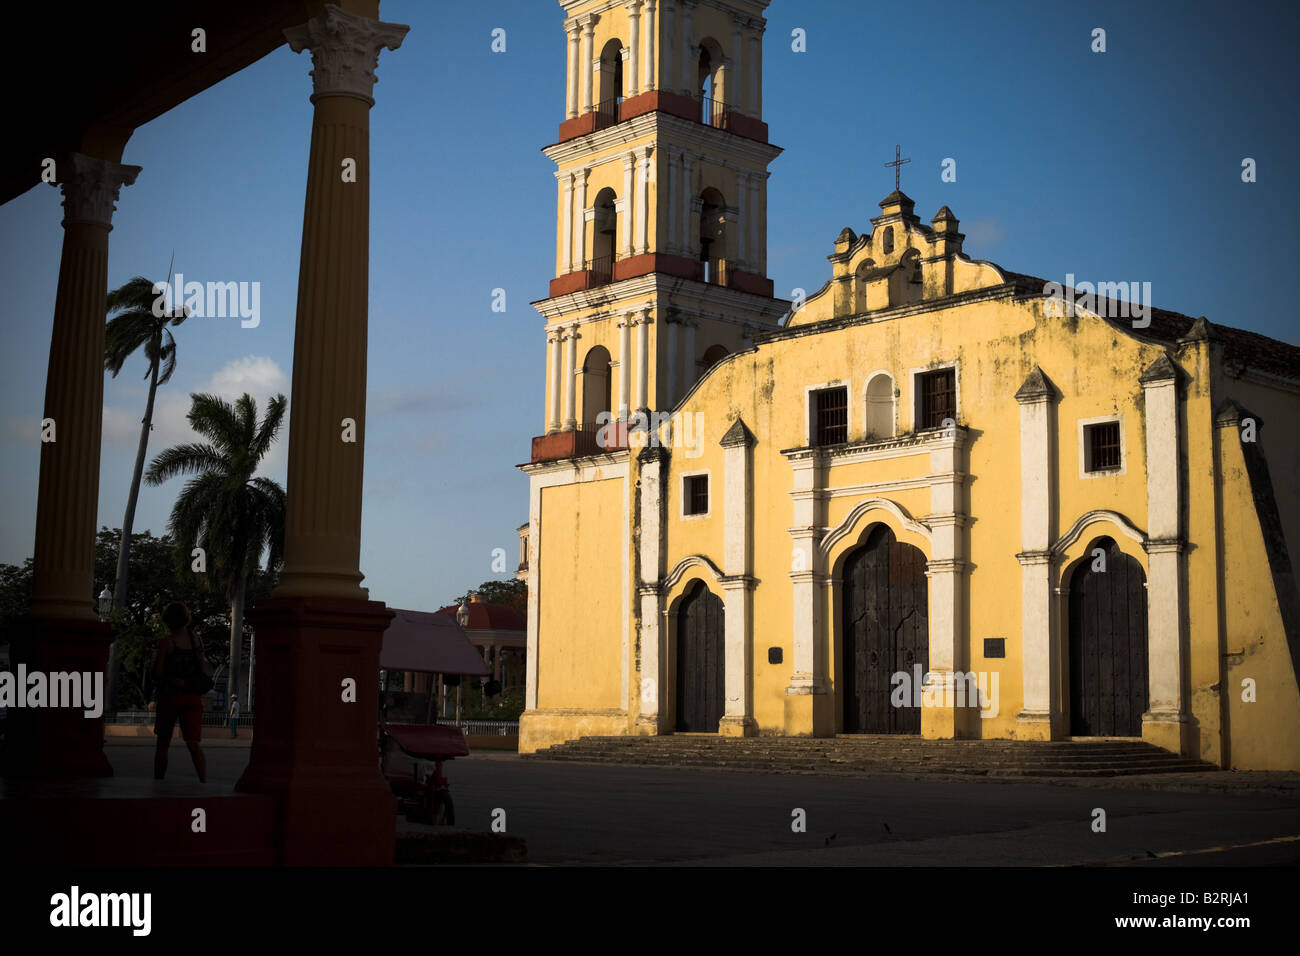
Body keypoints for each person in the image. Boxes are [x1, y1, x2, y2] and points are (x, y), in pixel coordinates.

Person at [152, 602, 207, 782]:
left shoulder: (167, 643)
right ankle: (203, 780)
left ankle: (158, 781)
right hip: (192, 696)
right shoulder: (196, 640)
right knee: (193, 744)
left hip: (170, 696)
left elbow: (158, 672)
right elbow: (201, 667)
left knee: (163, 743)